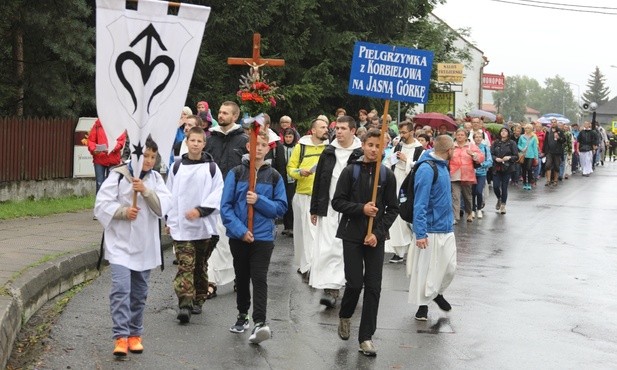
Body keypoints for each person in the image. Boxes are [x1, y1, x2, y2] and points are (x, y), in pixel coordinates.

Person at [94, 137, 171, 357]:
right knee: (121, 290)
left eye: (152, 157)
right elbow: (101, 206)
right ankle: (120, 336)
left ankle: (135, 333)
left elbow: (162, 208)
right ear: (135, 155)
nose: (148, 161)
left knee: (139, 293)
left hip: (144, 246)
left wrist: (146, 191)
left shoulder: (156, 179)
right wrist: (123, 212)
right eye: (145, 156)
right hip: (119, 245)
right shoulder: (118, 176)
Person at [331, 128, 399, 357]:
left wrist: (377, 234)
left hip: (374, 239)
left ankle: (366, 337)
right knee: (354, 284)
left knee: (373, 287)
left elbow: (393, 209)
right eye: (370, 145)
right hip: (351, 234)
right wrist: (362, 209)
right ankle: (345, 314)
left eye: (379, 146)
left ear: (384, 148)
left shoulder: (388, 175)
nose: (374, 150)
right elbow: (337, 202)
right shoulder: (351, 171)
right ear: (363, 145)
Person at [221, 130, 287, 344]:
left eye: (263, 144)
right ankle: (242, 315)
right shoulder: (237, 172)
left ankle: (260, 322)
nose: (258, 148)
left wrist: (258, 200)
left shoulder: (274, 176)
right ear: (249, 147)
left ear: (268, 148)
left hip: (263, 237)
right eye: (255, 144)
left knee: (259, 278)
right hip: (240, 236)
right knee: (241, 277)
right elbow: (226, 207)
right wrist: (241, 231)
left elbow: (280, 208)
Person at [166, 126, 224, 324]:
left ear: (204, 144)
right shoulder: (177, 167)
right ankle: (185, 304)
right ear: (187, 142)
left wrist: (200, 211)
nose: (196, 144)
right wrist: (169, 220)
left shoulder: (212, 168)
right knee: (185, 265)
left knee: (199, 265)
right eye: (192, 141)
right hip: (181, 226)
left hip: (204, 226)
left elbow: (218, 194)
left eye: (199, 141)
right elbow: (169, 194)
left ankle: (199, 298)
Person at [309, 115, 362, 308]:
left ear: (353, 131)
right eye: (337, 128)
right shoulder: (329, 152)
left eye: (343, 128)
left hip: (351, 209)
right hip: (329, 208)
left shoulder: (360, 153)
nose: (338, 132)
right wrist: (314, 208)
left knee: (345, 248)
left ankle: (349, 284)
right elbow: (319, 181)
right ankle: (330, 288)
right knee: (328, 247)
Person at [407, 134, 457, 322]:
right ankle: (422, 307)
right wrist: (420, 232)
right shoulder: (427, 169)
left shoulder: (444, 166)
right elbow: (420, 203)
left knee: (450, 267)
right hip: (430, 228)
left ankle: (437, 292)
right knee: (427, 270)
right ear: (449, 150)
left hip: (446, 226)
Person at [205, 101, 249, 296]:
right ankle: (211, 281)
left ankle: (239, 277)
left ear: (235, 117)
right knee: (213, 238)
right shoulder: (210, 139)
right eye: (220, 112)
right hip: (212, 197)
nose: (220, 115)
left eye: (225, 113)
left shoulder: (244, 140)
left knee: (234, 240)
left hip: (235, 199)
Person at [287, 117, 329, 282]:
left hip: (323, 196)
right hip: (304, 195)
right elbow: (290, 168)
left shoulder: (329, 147)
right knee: (305, 233)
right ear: (313, 131)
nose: (326, 129)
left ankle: (314, 266)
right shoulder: (301, 146)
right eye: (322, 127)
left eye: (326, 127)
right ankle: (306, 265)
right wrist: (300, 172)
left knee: (318, 233)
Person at [385, 120, 424, 263]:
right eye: (400, 132)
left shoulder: (420, 149)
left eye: (404, 132)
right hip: (395, 182)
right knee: (394, 214)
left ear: (412, 132)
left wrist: (407, 160)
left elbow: (419, 167)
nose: (401, 135)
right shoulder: (398, 146)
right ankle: (398, 251)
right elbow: (388, 162)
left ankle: (410, 247)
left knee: (405, 215)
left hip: (408, 185)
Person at [450, 128, 484, 223]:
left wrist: (473, 154)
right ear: (455, 136)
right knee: (455, 196)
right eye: (458, 135)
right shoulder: (452, 146)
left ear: (466, 137)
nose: (460, 136)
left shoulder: (471, 146)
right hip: (454, 174)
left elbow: (481, 157)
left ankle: (469, 212)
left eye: (462, 135)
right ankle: (455, 217)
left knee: (467, 196)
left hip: (467, 174)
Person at [88, 119, 127, 194]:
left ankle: (110, 205)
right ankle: (99, 205)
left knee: (111, 185)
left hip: (113, 160)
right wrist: (94, 150)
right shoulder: (97, 125)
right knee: (99, 184)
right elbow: (91, 140)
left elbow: (121, 141)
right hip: (99, 159)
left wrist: (112, 148)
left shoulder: (118, 125)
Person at [491, 127, 518, 214]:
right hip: (497, 167)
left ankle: (503, 205)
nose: (503, 132)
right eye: (502, 131)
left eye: (505, 131)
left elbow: (516, 156)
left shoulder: (512, 143)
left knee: (504, 187)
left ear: (508, 133)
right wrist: (495, 158)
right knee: (495, 186)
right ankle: (499, 198)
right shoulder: (495, 142)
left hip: (507, 167)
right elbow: (491, 154)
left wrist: (509, 157)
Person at [281, 128, 298, 236]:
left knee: (292, 202)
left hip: (293, 179)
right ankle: (286, 225)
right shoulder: (281, 148)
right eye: (286, 136)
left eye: (290, 136)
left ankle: (292, 226)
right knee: (284, 201)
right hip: (283, 178)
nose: (288, 139)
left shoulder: (296, 148)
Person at [472, 132, 492, 218]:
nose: (478, 138)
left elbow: (490, 161)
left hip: (482, 173)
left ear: (483, 138)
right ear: (473, 138)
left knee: (479, 191)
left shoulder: (485, 148)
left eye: (480, 137)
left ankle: (479, 209)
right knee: (472, 192)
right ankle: (472, 209)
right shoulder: (470, 147)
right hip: (471, 173)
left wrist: (482, 164)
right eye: (476, 137)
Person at [542, 119, 566, 187]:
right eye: (552, 122)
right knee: (547, 165)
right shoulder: (548, 131)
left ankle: (555, 180)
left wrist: (559, 138)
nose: (553, 123)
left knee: (556, 166)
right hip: (549, 151)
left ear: (556, 123)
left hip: (557, 152)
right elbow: (545, 142)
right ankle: (548, 180)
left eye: (554, 122)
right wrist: (544, 151)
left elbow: (564, 140)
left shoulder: (560, 131)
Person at [517, 124, 539, 190]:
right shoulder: (521, 137)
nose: (527, 129)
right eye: (526, 128)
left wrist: (536, 157)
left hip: (531, 155)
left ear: (531, 129)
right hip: (523, 155)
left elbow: (535, 148)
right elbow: (518, 144)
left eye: (528, 128)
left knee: (529, 169)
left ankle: (529, 183)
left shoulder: (533, 137)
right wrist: (521, 148)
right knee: (523, 170)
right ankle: (524, 183)